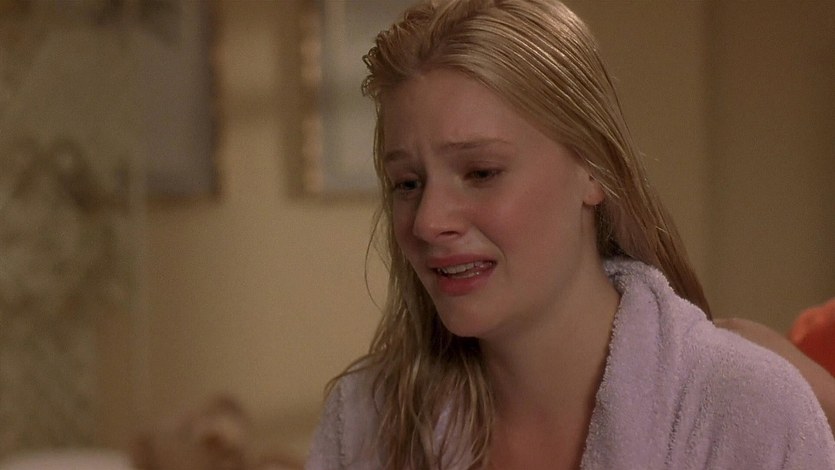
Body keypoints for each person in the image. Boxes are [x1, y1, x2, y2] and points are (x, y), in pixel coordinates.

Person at [305, 0, 835, 468]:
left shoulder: (749, 412)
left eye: (481, 172)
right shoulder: (364, 420)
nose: (427, 221)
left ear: (592, 171)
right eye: (407, 183)